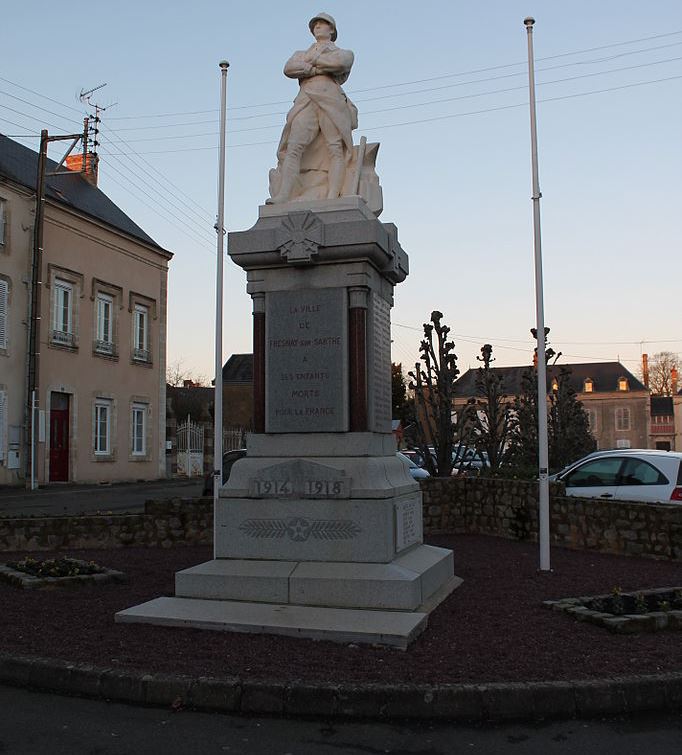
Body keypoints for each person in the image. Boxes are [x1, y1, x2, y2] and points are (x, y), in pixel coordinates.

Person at [267, 13, 358, 205]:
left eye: (322, 24)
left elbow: (340, 64)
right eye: (315, 25)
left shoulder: (344, 52)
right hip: (306, 100)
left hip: (332, 101)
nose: (317, 26)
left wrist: (311, 64)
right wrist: (320, 67)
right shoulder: (300, 53)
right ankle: (284, 194)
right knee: (293, 147)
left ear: (331, 29)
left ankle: (333, 195)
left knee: (335, 148)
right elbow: (289, 69)